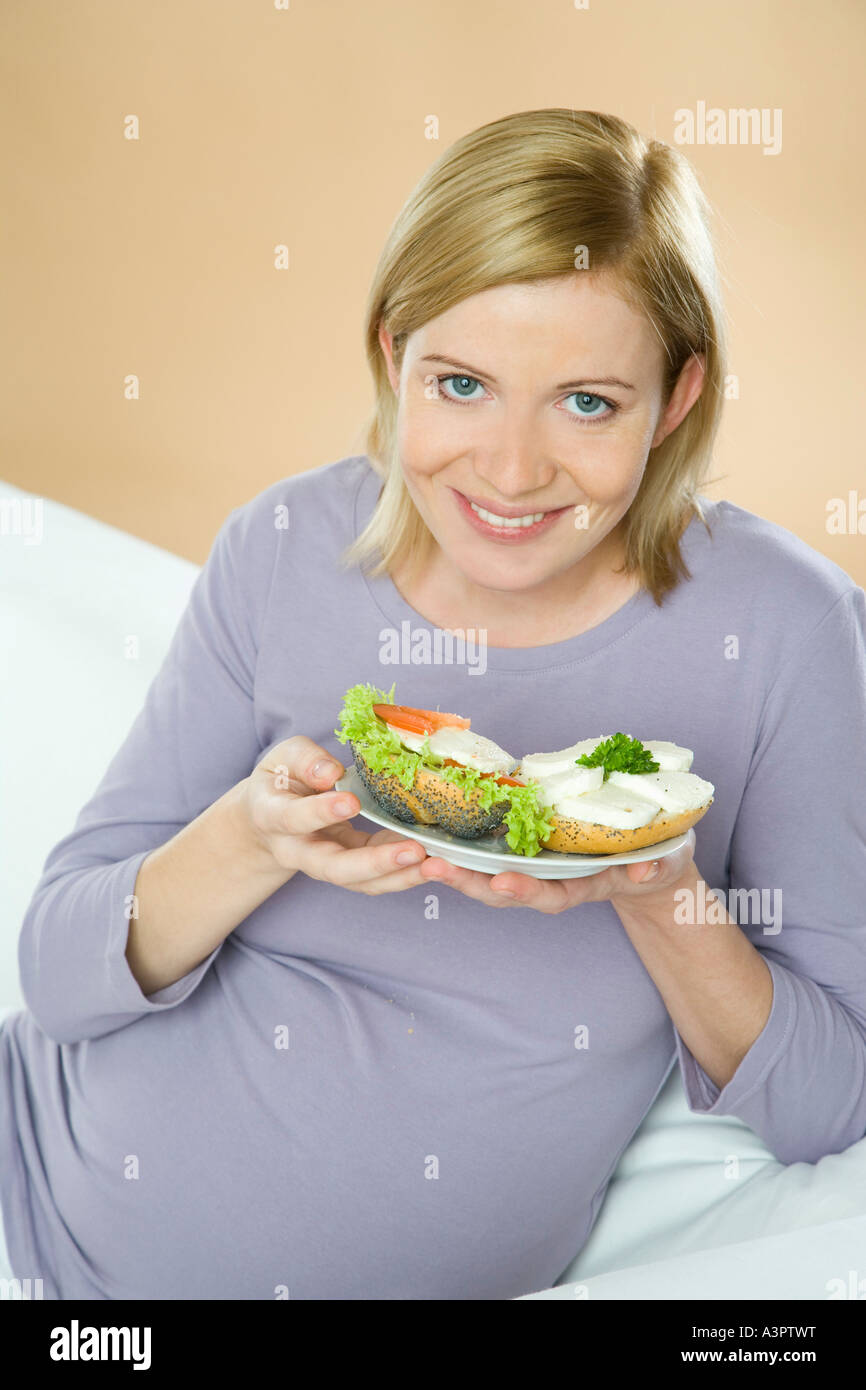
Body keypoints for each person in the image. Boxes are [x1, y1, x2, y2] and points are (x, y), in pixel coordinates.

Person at [1, 108, 864, 1302]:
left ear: (675, 399)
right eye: (460, 384)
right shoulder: (287, 546)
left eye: (586, 402)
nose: (509, 472)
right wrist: (250, 840)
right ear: (390, 355)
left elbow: (832, 1106)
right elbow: (55, 969)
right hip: (28, 1205)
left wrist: (657, 889)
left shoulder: (785, 629)